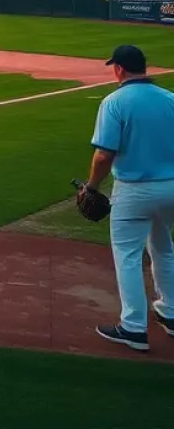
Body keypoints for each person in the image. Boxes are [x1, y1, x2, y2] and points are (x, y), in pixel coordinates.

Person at [80, 44, 174, 351]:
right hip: (171, 188)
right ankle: (171, 311)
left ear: (119, 69)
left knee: (127, 254)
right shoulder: (170, 99)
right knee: (163, 246)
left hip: (134, 190)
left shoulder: (115, 102)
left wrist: (91, 187)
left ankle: (133, 327)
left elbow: (104, 154)